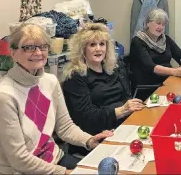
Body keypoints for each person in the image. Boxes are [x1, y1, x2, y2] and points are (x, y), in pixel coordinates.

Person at [0, 24, 113, 174]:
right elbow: (19, 159)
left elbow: (65, 127)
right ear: (13, 53)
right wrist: (63, 172)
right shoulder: (2, 97)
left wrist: (88, 140)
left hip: (53, 158)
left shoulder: (50, 81)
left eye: (43, 46)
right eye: (28, 47)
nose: (38, 52)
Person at [62, 23, 145, 156]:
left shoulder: (111, 70)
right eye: (92, 45)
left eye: (102, 44)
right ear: (82, 48)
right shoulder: (75, 77)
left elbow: (125, 97)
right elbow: (87, 118)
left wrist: (130, 106)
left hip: (121, 129)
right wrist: (121, 110)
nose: (98, 49)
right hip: (95, 139)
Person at [130, 8, 181, 89]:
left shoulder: (165, 39)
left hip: (167, 80)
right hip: (149, 86)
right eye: (158, 23)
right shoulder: (138, 41)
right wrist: (175, 71)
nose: (161, 27)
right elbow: (151, 67)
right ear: (147, 23)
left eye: (163, 24)